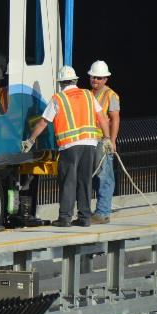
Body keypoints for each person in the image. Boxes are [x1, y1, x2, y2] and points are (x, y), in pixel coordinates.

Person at [22, 65, 112, 227]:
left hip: (69, 146)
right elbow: (103, 118)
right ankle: (84, 218)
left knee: (68, 181)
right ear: (75, 80)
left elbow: (44, 122)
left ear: (61, 83)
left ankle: (65, 218)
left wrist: (30, 140)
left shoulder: (59, 98)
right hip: (90, 144)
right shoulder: (88, 95)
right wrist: (107, 139)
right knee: (85, 181)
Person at [88, 60, 121, 224]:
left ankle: (103, 212)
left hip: (103, 141)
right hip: (91, 141)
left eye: (99, 78)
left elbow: (115, 118)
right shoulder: (88, 94)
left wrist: (112, 141)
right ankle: (98, 210)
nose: (96, 80)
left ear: (106, 79)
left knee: (105, 177)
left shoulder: (111, 95)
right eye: (94, 77)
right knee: (94, 178)